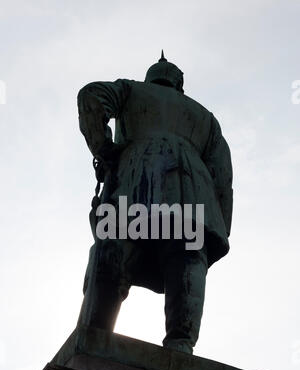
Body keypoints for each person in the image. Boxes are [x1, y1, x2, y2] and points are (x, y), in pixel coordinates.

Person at [76, 52, 233, 354]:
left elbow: (91, 95)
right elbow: (222, 179)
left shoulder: (131, 89)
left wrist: (104, 147)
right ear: (179, 84)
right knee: (187, 261)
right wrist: (220, 226)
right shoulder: (206, 119)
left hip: (131, 184)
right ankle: (181, 346)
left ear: (152, 78)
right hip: (191, 195)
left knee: (112, 253)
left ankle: (93, 337)